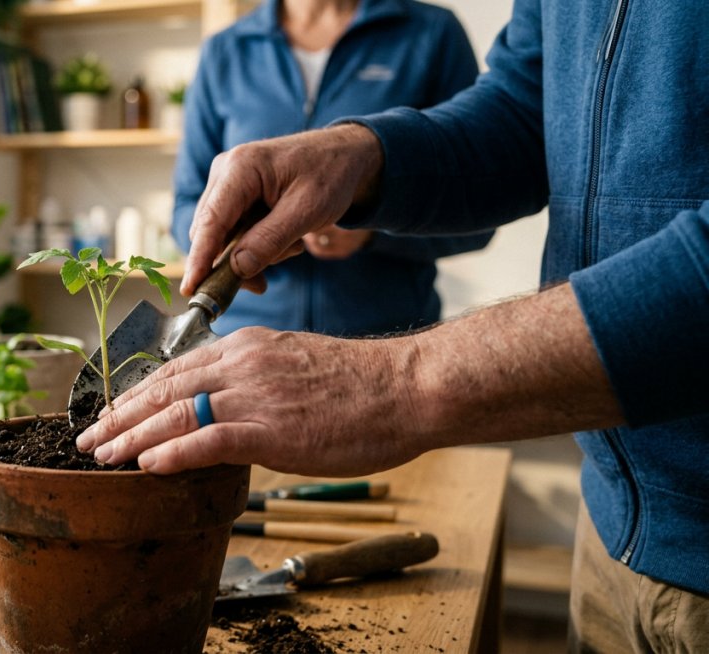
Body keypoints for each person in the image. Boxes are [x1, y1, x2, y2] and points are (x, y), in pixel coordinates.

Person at [79, 0, 709, 648]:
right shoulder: (229, 49)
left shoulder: (427, 31)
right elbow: (526, 111)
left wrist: (396, 378)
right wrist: (361, 155)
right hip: (612, 521)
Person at [173, 0, 493, 337]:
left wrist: (370, 228)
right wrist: (238, 229)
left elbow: (480, 204)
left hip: (388, 345)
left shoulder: (431, 33)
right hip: (243, 341)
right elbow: (185, 207)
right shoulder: (226, 50)